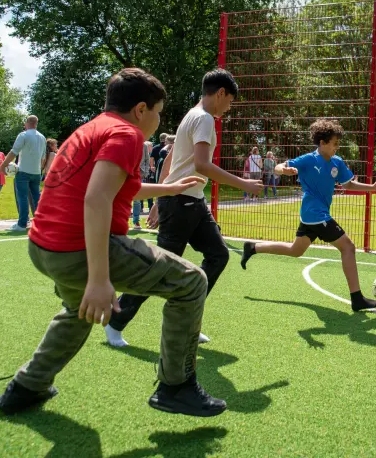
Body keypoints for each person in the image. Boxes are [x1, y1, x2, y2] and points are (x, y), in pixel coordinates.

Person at [0, 68, 227, 418]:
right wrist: (100, 279)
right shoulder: (126, 134)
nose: (158, 118)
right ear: (140, 110)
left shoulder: (91, 129)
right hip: (80, 248)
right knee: (192, 281)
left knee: (77, 313)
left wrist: (169, 188)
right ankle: (175, 386)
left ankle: (27, 386)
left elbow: (116, 187)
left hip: (44, 246)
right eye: (158, 110)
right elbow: (97, 198)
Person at [104, 69, 263, 348]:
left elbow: (173, 160)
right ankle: (116, 320)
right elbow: (201, 164)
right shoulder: (203, 119)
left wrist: (160, 196)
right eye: (230, 101)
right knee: (158, 267)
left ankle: (188, 320)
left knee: (218, 255)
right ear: (220, 93)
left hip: (190, 201)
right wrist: (243, 183)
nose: (229, 108)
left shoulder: (192, 115)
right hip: (180, 205)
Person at [241, 119, 376, 312]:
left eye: (338, 144)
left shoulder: (337, 162)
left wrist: (372, 188)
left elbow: (348, 184)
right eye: (334, 143)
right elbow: (278, 166)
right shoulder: (309, 159)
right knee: (348, 247)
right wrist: (283, 170)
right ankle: (357, 298)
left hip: (313, 216)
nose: (337, 147)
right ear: (322, 143)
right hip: (315, 214)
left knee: (295, 250)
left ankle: (253, 247)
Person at [0, 115, 47, 231]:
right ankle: (40, 224)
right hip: (36, 172)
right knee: (37, 198)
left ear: (27, 123)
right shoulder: (42, 137)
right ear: (36, 123)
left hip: (23, 171)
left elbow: (13, 152)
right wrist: (39, 169)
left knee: (22, 197)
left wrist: (3, 165)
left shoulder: (23, 135)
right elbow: (43, 158)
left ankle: (21, 224)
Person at [131, 141, 151, 230]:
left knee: (137, 199)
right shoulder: (125, 142)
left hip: (140, 173)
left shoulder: (144, 145)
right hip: (126, 172)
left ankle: (136, 221)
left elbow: (147, 159)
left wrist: (146, 172)